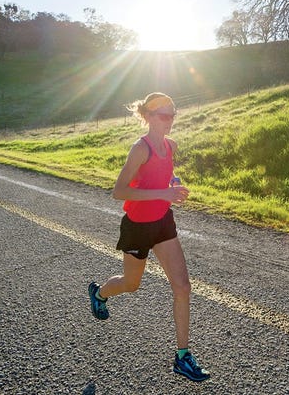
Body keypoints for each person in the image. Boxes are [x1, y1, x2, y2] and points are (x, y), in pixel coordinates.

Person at [88, 92, 210, 382]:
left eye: (173, 115)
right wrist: (163, 192)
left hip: (163, 223)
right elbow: (119, 191)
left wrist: (173, 186)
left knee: (182, 286)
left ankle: (182, 357)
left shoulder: (171, 145)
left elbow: (162, 177)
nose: (170, 121)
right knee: (131, 284)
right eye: (164, 116)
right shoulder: (139, 149)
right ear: (150, 117)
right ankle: (99, 293)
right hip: (138, 226)